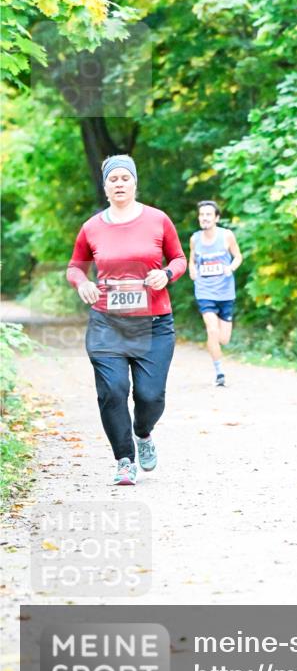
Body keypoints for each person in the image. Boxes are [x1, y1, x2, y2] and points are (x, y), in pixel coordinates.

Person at [66, 155, 186, 486]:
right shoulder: (91, 227)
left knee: (150, 396)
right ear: (105, 187)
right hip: (107, 324)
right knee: (112, 391)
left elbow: (178, 258)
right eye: (113, 179)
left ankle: (143, 432)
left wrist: (166, 274)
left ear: (134, 183)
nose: (119, 184)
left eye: (125, 178)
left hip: (154, 324)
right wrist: (83, 283)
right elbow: (75, 266)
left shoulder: (158, 220)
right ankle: (124, 460)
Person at [189, 200, 242, 386]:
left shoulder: (226, 236)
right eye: (202, 214)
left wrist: (230, 268)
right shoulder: (195, 239)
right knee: (212, 330)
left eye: (208, 215)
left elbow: (238, 256)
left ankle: (216, 348)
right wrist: (192, 270)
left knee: (223, 339)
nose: (204, 218)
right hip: (205, 291)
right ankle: (220, 373)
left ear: (216, 218)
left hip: (225, 293)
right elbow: (192, 260)